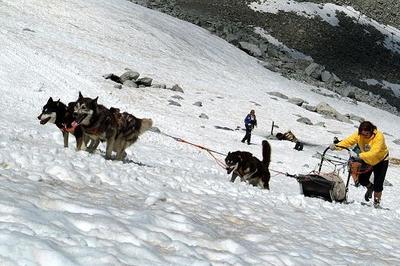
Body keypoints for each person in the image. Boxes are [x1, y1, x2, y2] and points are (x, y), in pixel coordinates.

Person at [330, 121, 389, 207]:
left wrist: (359, 156)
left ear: (372, 131)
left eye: (366, 134)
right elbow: (348, 141)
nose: (364, 136)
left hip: (381, 160)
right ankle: (370, 187)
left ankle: (376, 203)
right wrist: (337, 146)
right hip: (367, 158)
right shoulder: (359, 135)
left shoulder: (379, 136)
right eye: (362, 134)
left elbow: (374, 152)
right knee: (362, 180)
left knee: (378, 184)